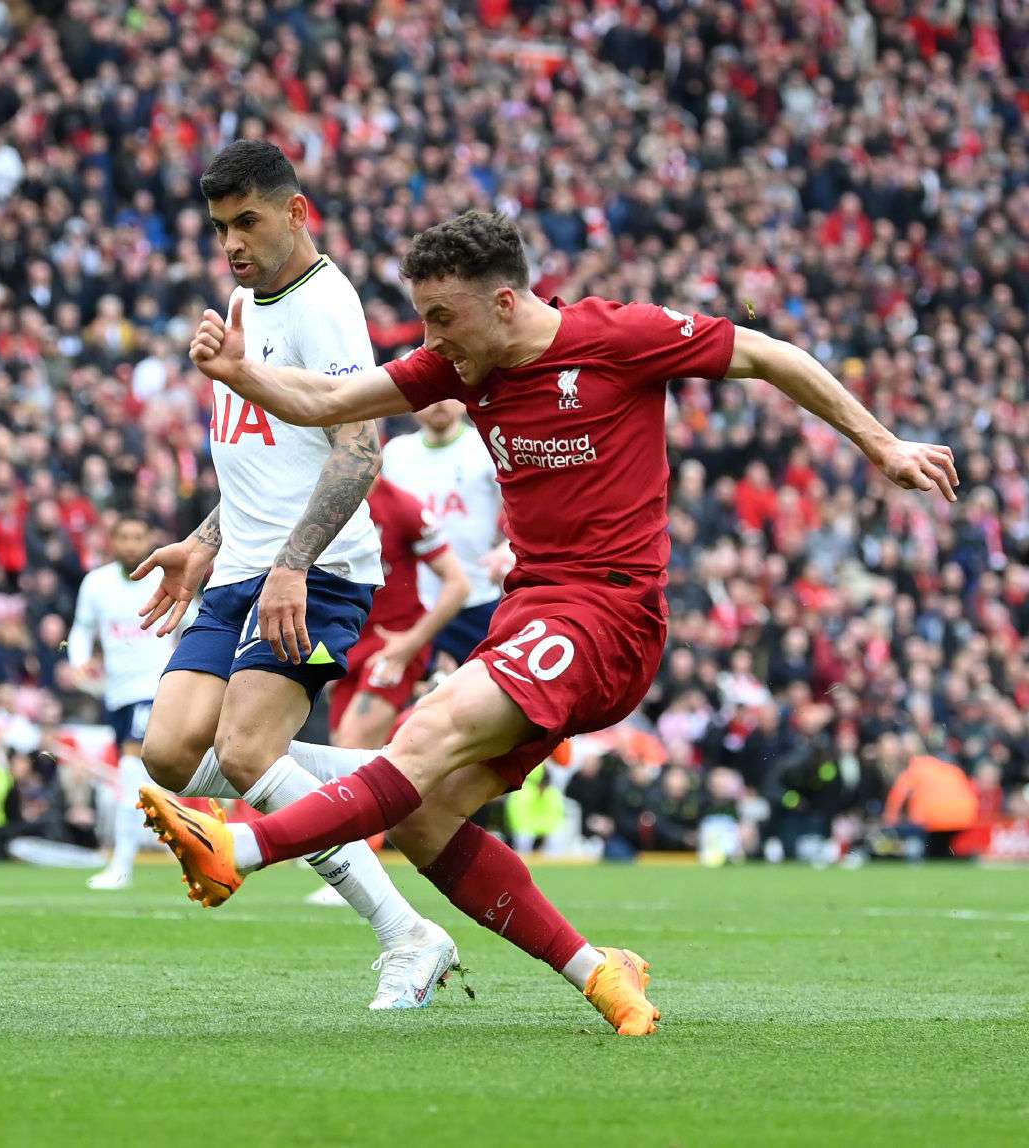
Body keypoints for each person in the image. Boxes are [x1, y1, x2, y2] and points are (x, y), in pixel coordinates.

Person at [147, 209, 958, 1035]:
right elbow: (333, 398)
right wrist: (243, 374)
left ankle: (239, 850)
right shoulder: (464, 365)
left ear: (504, 301)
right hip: (531, 614)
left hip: (609, 613)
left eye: (442, 317)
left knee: (427, 733)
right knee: (422, 813)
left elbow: (767, 353)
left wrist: (880, 443)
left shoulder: (619, 337)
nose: (432, 338)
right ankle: (597, 971)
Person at [129, 140, 460, 1010]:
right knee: (169, 754)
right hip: (242, 563)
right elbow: (258, 453)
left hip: (318, 573)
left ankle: (408, 937)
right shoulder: (246, 299)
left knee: (244, 751)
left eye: (248, 222)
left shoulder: (325, 305)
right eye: (220, 227)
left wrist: (292, 565)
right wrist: (203, 539)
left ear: (296, 212)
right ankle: (368, 773)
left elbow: (360, 448)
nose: (233, 242)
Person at [304, 478, 468, 909]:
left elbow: (458, 584)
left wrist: (414, 641)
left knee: (353, 745)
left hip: (392, 647)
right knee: (350, 754)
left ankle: (355, 872)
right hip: (346, 645)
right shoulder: (323, 496)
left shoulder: (402, 506)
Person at [67, 514, 183, 890]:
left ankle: (121, 865)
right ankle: (193, 848)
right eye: (125, 537)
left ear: (148, 539)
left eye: (138, 536)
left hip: (154, 689)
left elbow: (194, 621)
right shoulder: (96, 584)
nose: (132, 544)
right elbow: (82, 629)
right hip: (116, 693)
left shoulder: (165, 578)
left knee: (131, 773)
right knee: (147, 779)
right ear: (112, 541)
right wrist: (79, 660)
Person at [381, 400, 510, 673]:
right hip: (415, 604)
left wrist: (507, 549)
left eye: (446, 392)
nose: (438, 401)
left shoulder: (487, 446)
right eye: (427, 395)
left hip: (477, 598)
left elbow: (527, 509)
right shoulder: (395, 453)